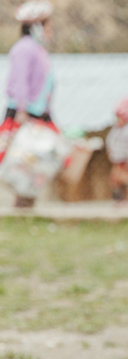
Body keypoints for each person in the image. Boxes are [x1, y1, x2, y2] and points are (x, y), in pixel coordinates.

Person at [0, 0, 56, 208]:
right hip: (24, 113)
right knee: (20, 158)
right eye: (47, 26)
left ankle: (26, 202)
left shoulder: (38, 50)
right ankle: (22, 203)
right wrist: (22, 110)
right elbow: (21, 81)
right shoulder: (24, 49)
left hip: (39, 112)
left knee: (35, 161)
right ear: (36, 26)